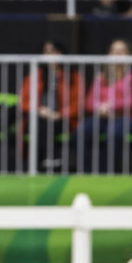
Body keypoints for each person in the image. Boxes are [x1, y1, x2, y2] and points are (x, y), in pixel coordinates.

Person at [73, 39, 132, 173]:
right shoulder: (101, 77)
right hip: (103, 116)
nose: (117, 54)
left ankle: (108, 174)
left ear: (130, 56)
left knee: (114, 132)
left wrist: (112, 106)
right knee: (81, 132)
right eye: (113, 51)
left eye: (121, 51)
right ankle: (85, 173)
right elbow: (89, 102)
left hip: (129, 117)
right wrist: (100, 107)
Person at [19, 41, 84, 171]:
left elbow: (78, 103)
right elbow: (24, 101)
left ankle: (48, 160)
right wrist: (39, 109)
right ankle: (45, 161)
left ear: (62, 53)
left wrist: (59, 114)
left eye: (54, 51)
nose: (50, 55)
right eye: (47, 52)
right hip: (39, 116)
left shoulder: (74, 76)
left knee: (47, 124)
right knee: (39, 122)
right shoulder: (35, 74)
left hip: (63, 120)